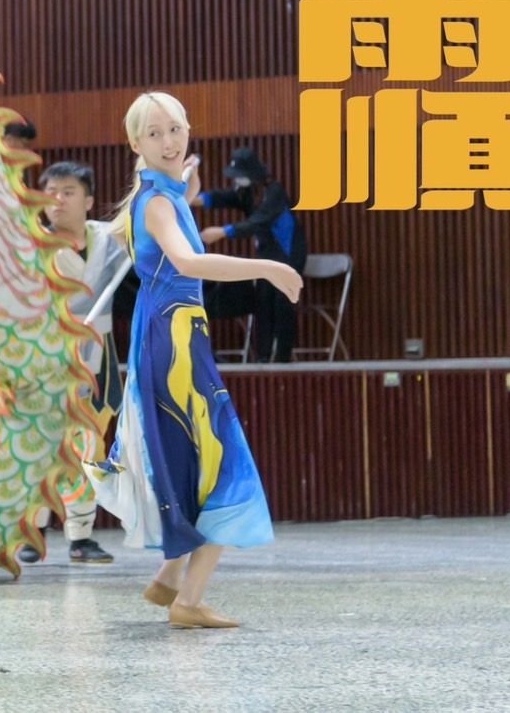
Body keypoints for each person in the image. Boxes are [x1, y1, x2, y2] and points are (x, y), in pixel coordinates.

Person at [85, 92, 299, 629]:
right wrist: (268, 268)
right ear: (135, 143)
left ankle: (169, 579)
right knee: (225, 468)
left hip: (172, 339)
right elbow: (187, 260)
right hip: (173, 345)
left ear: (188, 131)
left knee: (192, 460)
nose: (168, 141)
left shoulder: (163, 193)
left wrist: (188, 184)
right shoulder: (157, 203)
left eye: (175, 129)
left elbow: (179, 208)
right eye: (154, 133)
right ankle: (187, 600)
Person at [17, 161, 122, 567]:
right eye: (51, 192)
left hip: (97, 359)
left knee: (89, 447)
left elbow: (153, 220)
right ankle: (32, 530)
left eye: (68, 192)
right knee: (41, 446)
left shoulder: (109, 239)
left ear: (89, 200)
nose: (57, 200)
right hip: (44, 358)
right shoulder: (29, 245)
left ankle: (81, 536)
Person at [191, 146, 308, 363]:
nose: (237, 181)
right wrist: (195, 199)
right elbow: (224, 197)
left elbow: (257, 222)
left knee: (282, 301)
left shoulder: (273, 192)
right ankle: (263, 357)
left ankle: (283, 357)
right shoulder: (246, 192)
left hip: (287, 254)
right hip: (266, 255)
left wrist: (223, 232)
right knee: (263, 301)